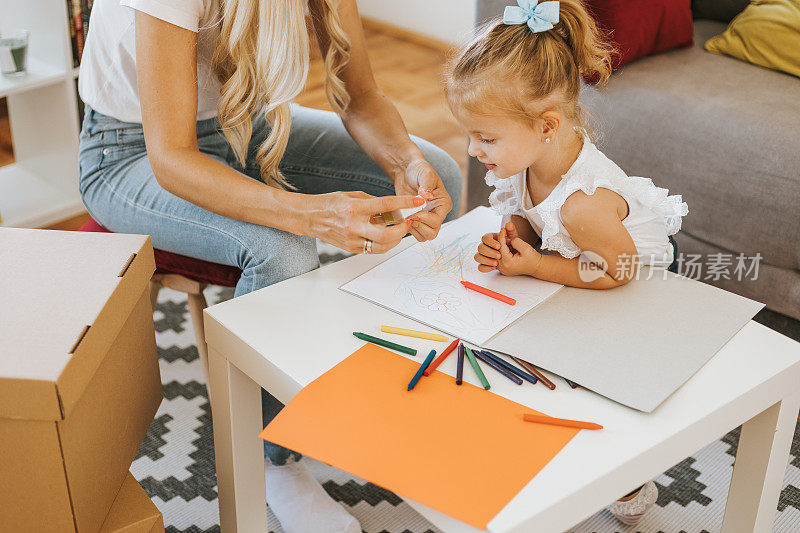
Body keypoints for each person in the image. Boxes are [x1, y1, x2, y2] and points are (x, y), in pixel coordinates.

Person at [77, 0, 461, 531]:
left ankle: (388, 383)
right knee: (283, 248)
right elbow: (172, 158)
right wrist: (313, 215)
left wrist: (407, 162)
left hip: (243, 126)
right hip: (131, 152)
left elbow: (362, 96)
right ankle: (271, 459)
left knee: (440, 174)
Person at [444, 0, 687, 524]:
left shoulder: (583, 204)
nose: (473, 150)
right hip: (577, 260)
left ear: (548, 125)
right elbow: (534, 215)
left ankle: (626, 477)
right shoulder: (525, 157)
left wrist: (534, 266)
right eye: (471, 134)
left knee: (599, 378)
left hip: (627, 278)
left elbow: (617, 271)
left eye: (485, 138)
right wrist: (517, 237)